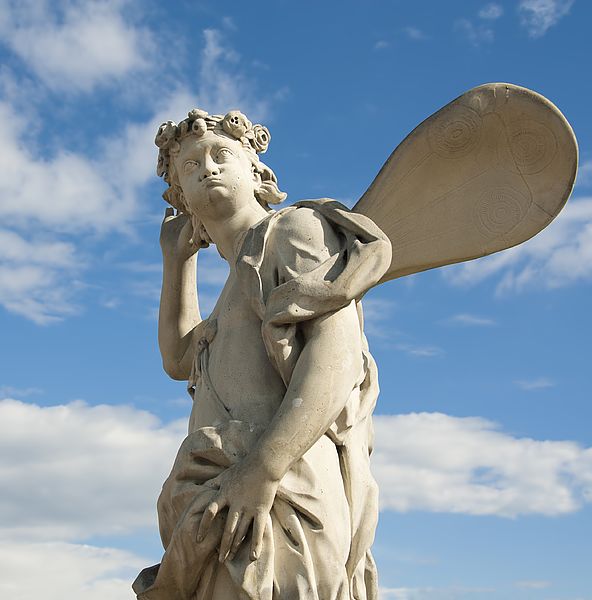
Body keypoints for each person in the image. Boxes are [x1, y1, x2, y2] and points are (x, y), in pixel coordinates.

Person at [133, 109, 392, 600]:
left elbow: (334, 353)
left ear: (257, 172)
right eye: (188, 166)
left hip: (280, 486)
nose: (205, 168)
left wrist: (264, 467)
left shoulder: (295, 230)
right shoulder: (231, 287)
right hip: (219, 497)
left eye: (220, 155)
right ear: (180, 198)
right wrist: (176, 263)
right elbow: (178, 358)